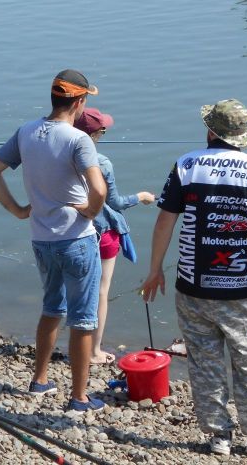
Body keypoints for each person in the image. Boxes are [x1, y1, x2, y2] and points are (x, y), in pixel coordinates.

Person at [141, 99, 247, 457]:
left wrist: (155, 269)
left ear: (210, 131)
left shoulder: (186, 165)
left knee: (204, 360)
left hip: (193, 284)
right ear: (241, 136)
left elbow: (164, 221)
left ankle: (218, 435)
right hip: (242, 285)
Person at [0, 69, 107, 414]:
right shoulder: (78, 139)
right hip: (77, 240)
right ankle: (79, 398)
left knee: (52, 308)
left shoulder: (26, 132)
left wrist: (17, 210)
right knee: (83, 319)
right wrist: (90, 211)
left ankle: (40, 380)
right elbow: (98, 189)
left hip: (41, 239)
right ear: (79, 102)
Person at [73, 108, 155, 365]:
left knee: (75, 290)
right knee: (101, 291)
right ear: (93, 135)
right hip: (102, 233)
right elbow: (116, 203)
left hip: (71, 232)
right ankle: (93, 351)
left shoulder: (58, 158)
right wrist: (141, 197)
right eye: (102, 131)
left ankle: (75, 345)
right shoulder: (102, 163)